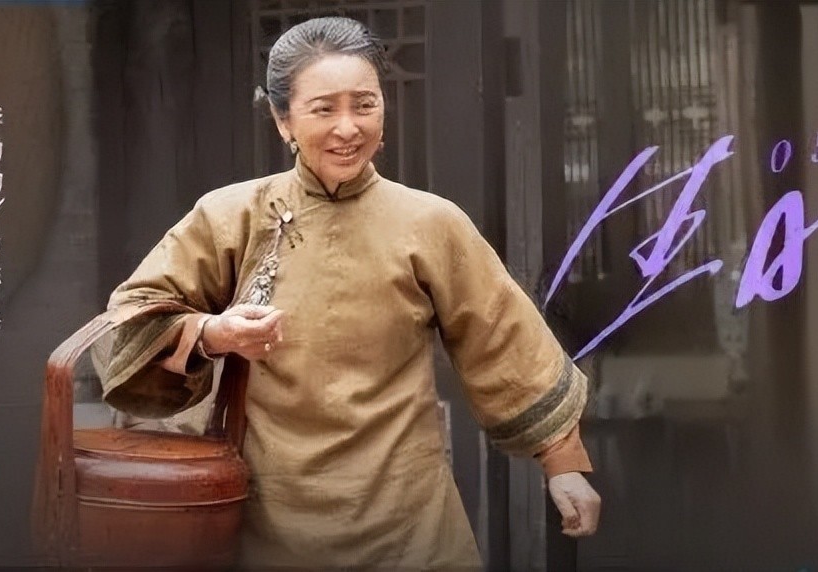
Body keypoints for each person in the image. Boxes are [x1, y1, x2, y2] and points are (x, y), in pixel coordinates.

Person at [97, 16, 600, 569]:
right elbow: (128, 322)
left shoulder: (431, 222)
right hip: (270, 519)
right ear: (283, 120)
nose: (348, 127)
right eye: (323, 109)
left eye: (364, 105)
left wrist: (564, 466)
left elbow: (502, 338)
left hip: (410, 523)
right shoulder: (230, 216)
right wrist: (212, 335)